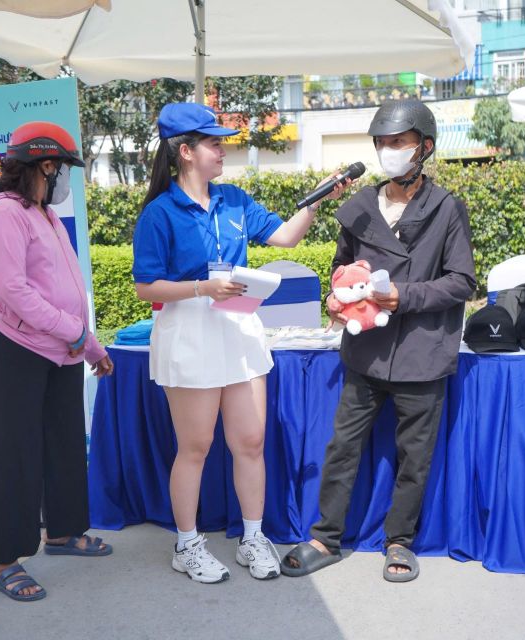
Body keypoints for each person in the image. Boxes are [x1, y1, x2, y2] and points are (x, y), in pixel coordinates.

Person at [132, 102, 350, 583]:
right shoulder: (159, 213)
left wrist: (318, 199)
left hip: (239, 329)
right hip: (189, 332)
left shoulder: (233, 200)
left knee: (250, 442)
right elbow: (145, 286)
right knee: (195, 447)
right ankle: (187, 544)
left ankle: (253, 537)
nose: (221, 150)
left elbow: (287, 238)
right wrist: (201, 288)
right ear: (185, 152)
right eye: (213, 143)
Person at [281, 99, 476, 583]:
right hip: (365, 351)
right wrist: (335, 298)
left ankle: (400, 542)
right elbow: (341, 269)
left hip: (422, 353)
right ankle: (325, 537)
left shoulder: (447, 208)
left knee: (415, 455)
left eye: (399, 142)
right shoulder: (360, 208)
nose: (389, 151)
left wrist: (403, 297)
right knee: (342, 446)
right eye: (383, 143)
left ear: (424, 148)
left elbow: (461, 281)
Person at [0, 121, 115, 602]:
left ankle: (62, 532)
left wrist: (90, 345)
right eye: (62, 171)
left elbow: (65, 290)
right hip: (17, 345)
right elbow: (13, 291)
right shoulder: (4, 213)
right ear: (44, 166)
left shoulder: (42, 213)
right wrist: (77, 333)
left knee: (62, 441)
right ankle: (4, 560)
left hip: (62, 346)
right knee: (15, 452)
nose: (64, 181)